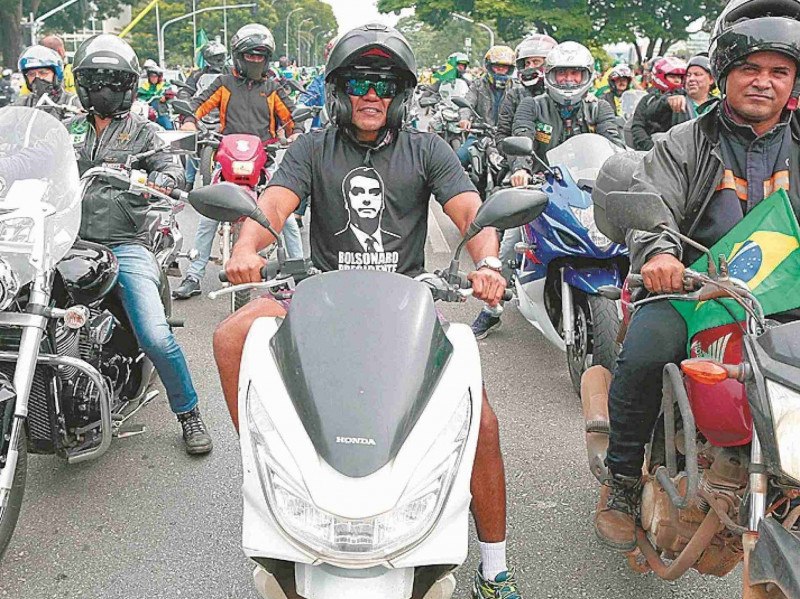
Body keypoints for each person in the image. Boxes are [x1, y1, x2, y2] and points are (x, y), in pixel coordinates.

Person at [213, 23, 524, 599]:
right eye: (360, 81)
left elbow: (471, 215)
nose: (372, 94)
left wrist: (490, 265)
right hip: (318, 297)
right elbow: (271, 206)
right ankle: (265, 466)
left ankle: (495, 564)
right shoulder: (312, 147)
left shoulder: (428, 148)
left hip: (407, 305)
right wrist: (244, 250)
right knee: (233, 334)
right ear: (340, 90)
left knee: (481, 423)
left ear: (401, 93)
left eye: (384, 83)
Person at [594, 0, 800, 551]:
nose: (763, 82)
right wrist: (660, 255)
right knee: (642, 354)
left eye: (778, 72)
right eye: (749, 70)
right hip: (691, 287)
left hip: (784, 296)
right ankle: (618, 479)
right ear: (726, 75)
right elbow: (652, 205)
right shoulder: (685, 141)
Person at [68, 34, 212, 455]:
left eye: (115, 81)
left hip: (123, 244)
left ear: (129, 85)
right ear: (82, 84)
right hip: (65, 242)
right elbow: (31, 157)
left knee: (154, 333)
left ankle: (188, 413)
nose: (105, 90)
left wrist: (163, 180)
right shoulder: (67, 129)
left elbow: (171, 166)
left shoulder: (144, 132)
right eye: (96, 80)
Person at [469, 41, 624, 339]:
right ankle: (492, 309)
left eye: (575, 74)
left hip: (591, 188)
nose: (568, 80)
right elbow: (522, 135)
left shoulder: (599, 107)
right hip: (543, 185)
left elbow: (614, 142)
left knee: (630, 235)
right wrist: (521, 170)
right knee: (511, 241)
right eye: (562, 73)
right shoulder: (533, 104)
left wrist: (625, 168)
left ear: (587, 76)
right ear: (550, 75)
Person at [174, 24, 301, 300]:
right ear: (238, 56)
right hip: (228, 160)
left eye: (260, 56)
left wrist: (297, 134)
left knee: (287, 219)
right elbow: (198, 105)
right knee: (209, 215)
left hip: (263, 162)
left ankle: (296, 275)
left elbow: (291, 118)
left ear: (266, 58)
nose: (255, 60)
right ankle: (194, 275)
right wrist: (188, 121)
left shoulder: (273, 88)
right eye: (250, 55)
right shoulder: (223, 83)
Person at [179, 40, 228, 191]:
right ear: (208, 59)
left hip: (226, 115)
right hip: (201, 116)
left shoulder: (231, 73)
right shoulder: (197, 75)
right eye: (216, 58)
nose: (220, 61)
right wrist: (185, 101)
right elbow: (185, 90)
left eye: (222, 57)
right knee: (191, 147)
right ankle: (189, 181)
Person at [456, 45, 517, 167]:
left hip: (506, 137)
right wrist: (464, 118)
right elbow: (467, 103)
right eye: (497, 66)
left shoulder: (516, 88)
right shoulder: (478, 84)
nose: (500, 69)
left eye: (504, 66)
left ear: (509, 69)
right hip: (480, 134)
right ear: (489, 66)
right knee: (456, 161)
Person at [495, 34, 558, 145]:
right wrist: (515, 158)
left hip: (557, 157)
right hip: (522, 157)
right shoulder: (514, 95)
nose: (530, 67)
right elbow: (502, 134)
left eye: (536, 62)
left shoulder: (561, 95)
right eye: (527, 63)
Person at [630, 56, 687, 150]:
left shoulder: (687, 98)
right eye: (672, 76)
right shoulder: (648, 99)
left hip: (680, 152)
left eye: (680, 77)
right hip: (651, 151)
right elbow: (637, 126)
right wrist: (650, 148)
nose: (677, 80)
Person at [14, 45, 81, 120]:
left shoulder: (73, 101)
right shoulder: (22, 104)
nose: (38, 78)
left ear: (56, 75)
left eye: (43, 73)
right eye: (31, 74)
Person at [652, 54, 717, 125]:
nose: (691, 79)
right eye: (688, 75)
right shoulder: (674, 97)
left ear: (711, 79)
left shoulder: (717, 105)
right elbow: (649, 115)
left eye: (697, 74)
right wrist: (666, 103)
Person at [137, 59, 175, 130]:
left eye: (155, 76)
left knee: (168, 127)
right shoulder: (144, 85)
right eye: (151, 76)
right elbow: (139, 95)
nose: (153, 78)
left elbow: (170, 94)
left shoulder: (164, 85)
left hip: (161, 113)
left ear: (158, 77)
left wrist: (165, 97)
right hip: (147, 113)